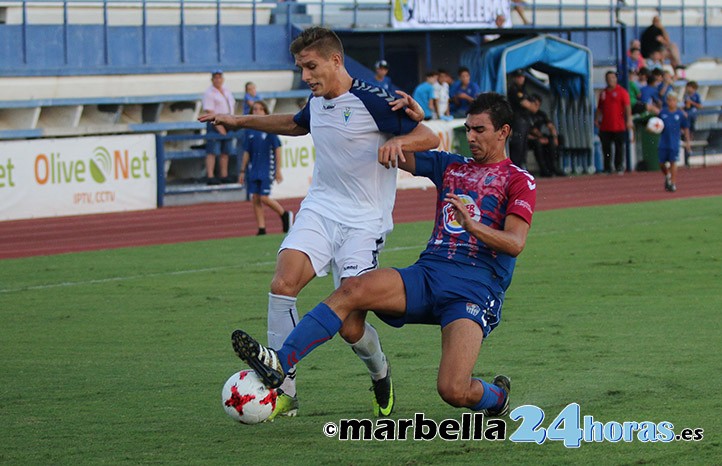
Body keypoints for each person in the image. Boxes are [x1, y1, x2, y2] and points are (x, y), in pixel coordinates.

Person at [230, 92, 536, 417]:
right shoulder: (451, 166)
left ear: (503, 131)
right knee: (352, 290)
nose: (470, 137)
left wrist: (472, 226)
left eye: (479, 130)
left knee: (453, 389)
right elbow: (390, 152)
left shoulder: (519, 180)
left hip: (474, 290)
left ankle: (496, 399)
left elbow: (515, 243)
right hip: (428, 275)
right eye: (468, 129)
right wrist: (408, 126)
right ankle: (281, 362)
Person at [199, 26, 439, 419]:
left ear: (335, 60)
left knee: (350, 326)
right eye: (301, 69)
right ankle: (284, 389)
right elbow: (297, 123)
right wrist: (238, 121)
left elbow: (428, 134)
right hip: (321, 208)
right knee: (282, 284)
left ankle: (380, 372)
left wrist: (400, 142)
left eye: (311, 67)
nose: (306, 76)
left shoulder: (372, 100)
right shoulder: (317, 102)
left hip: (364, 223)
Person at [239, 101, 293, 236]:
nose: (257, 112)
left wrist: (278, 169)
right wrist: (242, 170)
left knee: (264, 197)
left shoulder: (269, 128)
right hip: (254, 168)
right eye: (254, 109)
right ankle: (261, 228)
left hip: (266, 167)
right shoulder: (249, 131)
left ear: (265, 112)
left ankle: (284, 214)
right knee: (255, 198)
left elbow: (277, 148)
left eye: (260, 109)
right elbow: (246, 151)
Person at [201, 69, 236, 185]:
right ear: (212, 79)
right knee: (212, 150)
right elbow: (209, 111)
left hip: (227, 120)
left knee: (225, 151)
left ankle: (224, 174)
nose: (218, 80)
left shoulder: (226, 91)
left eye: (219, 77)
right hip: (215, 122)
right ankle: (210, 175)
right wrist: (219, 127)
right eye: (215, 78)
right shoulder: (209, 93)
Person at [595, 71, 633, 174]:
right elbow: (599, 108)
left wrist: (629, 119)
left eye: (612, 77)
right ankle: (607, 167)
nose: (610, 80)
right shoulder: (603, 93)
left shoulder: (622, 92)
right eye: (608, 78)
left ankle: (619, 166)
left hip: (618, 125)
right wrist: (596, 119)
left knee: (619, 148)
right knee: (606, 148)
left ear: (616, 79)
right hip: (605, 125)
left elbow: (627, 107)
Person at [657, 93, 691, 192]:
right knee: (661, 163)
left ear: (676, 102)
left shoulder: (680, 114)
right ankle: (667, 175)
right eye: (669, 100)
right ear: (667, 101)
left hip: (674, 142)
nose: (671, 102)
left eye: (673, 100)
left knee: (673, 162)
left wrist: (687, 142)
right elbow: (657, 124)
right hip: (663, 141)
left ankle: (673, 183)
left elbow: (686, 128)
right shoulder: (662, 113)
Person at [527, 95, 565, 177]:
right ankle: (543, 169)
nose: (536, 107)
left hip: (540, 137)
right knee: (537, 143)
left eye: (538, 104)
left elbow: (550, 126)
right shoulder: (526, 115)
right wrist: (539, 138)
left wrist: (554, 137)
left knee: (556, 140)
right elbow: (526, 133)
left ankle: (554, 166)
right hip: (530, 139)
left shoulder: (541, 114)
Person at [506, 69, 534, 169]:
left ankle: (521, 168)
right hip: (517, 120)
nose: (521, 79)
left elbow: (534, 106)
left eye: (522, 77)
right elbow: (528, 105)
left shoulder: (524, 89)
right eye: (518, 77)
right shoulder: (513, 89)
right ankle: (515, 168)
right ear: (514, 78)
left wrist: (530, 105)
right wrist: (530, 105)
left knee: (524, 146)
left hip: (525, 120)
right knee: (518, 145)